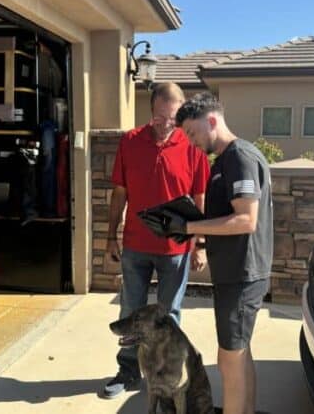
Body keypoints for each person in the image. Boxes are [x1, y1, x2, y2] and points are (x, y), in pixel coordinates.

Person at [153, 92, 273, 414]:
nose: (191, 142)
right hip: (236, 272)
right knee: (240, 353)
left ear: (212, 120)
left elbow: (246, 220)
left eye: (192, 133)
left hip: (242, 274)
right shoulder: (225, 161)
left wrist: (189, 228)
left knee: (229, 357)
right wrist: (192, 220)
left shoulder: (239, 157)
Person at [102, 82, 210, 399]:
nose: (166, 125)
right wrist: (110, 236)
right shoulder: (130, 142)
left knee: (169, 316)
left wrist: (198, 243)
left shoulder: (191, 147)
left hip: (174, 250)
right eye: (161, 117)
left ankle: (164, 376)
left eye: (173, 119)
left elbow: (199, 197)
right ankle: (128, 371)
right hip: (135, 246)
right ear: (151, 111)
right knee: (131, 312)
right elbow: (120, 192)